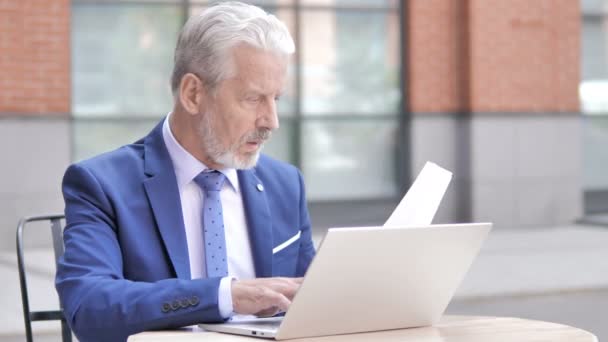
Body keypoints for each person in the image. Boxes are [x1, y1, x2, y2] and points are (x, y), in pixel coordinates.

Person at [55, 2, 316, 341]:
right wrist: (224, 295)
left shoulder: (285, 184)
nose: (271, 121)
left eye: (276, 99)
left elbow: (315, 299)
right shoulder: (102, 185)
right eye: (253, 99)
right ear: (193, 94)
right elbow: (90, 308)